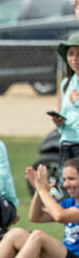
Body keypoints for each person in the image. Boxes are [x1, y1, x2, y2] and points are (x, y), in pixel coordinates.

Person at [50, 32, 79, 167]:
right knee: (66, 184)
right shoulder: (65, 84)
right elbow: (64, 113)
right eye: (71, 54)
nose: (75, 58)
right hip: (67, 142)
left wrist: (77, 101)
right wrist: (59, 122)